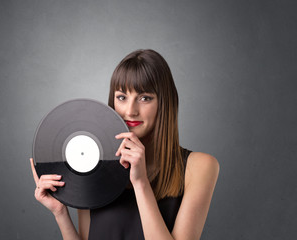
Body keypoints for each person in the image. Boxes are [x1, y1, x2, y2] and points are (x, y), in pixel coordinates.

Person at [30, 49, 219, 240]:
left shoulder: (200, 166)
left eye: (145, 98)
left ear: (165, 103)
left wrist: (140, 182)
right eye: (122, 97)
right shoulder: (93, 170)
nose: (130, 111)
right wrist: (60, 213)